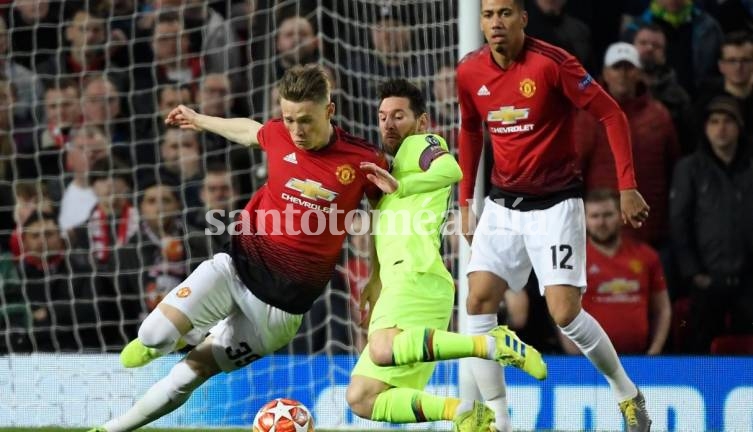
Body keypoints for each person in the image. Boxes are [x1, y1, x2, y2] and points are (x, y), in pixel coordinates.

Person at [87, 64, 387, 432]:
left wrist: (375, 277)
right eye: (289, 118)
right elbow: (251, 132)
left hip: (280, 312)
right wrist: (200, 119)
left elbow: (381, 219)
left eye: (305, 120)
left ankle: (110, 429)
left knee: (188, 376)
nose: (296, 130)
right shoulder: (280, 135)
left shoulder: (362, 159)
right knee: (154, 335)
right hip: (234, 267)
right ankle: (165, 339)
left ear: (330, 110)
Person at [456, 1, 652, 431]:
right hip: (503, 202)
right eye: (488, 14)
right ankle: (499, 420)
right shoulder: (469, 71)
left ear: (523, 18)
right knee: (477, 301)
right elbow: (470, 130)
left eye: (505, 13)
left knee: (564, 313)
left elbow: (610, 113)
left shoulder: (553, 64)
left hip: (556, 204)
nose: (495, 22)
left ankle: (626, 392)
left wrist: (626, 185)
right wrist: (467, 200)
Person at [346, 79, 546, 432]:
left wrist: (401, 185)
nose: (388, 124)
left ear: (421, 121)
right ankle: (465, 413)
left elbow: (451, 169)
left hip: (417, 275)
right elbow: (389, 237)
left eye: (398, 115)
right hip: (404, 284)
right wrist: (375, 282)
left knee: (381, 349)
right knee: (362, 397)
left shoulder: (421, 145)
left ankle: (489, 343)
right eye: (382, 117)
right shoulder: (390, 178)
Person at [670, 95, 753, 352]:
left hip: (749, 278)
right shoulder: (689, 168)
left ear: (739, 127)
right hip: (707, 278)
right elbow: (679, 222)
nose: (721, 128)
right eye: (714, 121)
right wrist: (693, 272)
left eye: (728, 121)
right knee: (699, 346)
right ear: (705, 128)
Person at [560, 189, 671, 355]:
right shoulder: (572, 259)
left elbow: (662, 309)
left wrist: (654, 353)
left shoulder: (647, 256)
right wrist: (575, 357)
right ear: (584, 220)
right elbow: (562, 311)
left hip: (640, 360)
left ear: (621, 216)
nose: (601, 222)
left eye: (608, 215)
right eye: (594, 216)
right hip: (588, 362)